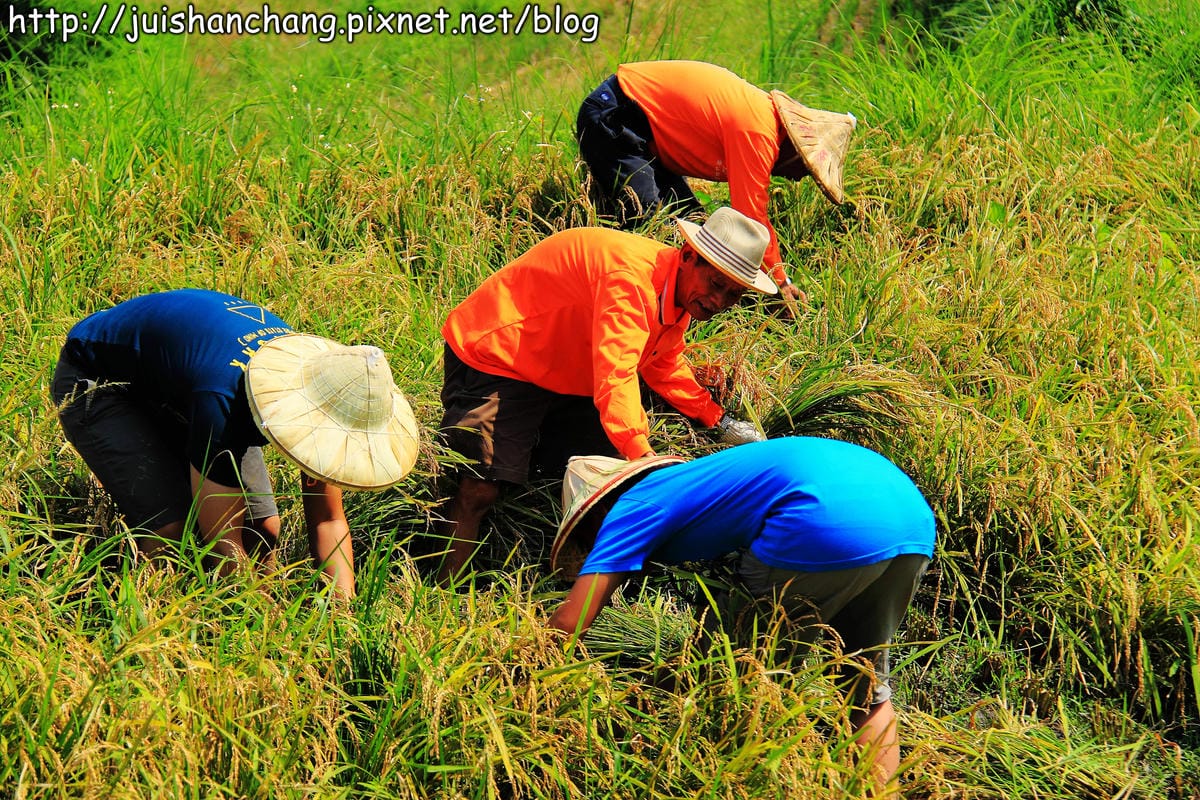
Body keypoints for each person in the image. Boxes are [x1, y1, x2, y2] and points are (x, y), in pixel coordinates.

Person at [547, 437, 936, 794]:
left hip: (820, 518)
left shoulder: (629, 507)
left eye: (587, 536)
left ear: (596, 511)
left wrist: (525, 670)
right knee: (865, 683)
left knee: (735, 675)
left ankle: (737, 781)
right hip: (910, 518)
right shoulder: (699, 480)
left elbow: (569, 623)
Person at [437, 206, 773, 581]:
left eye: (734, 294)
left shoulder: (677, 293)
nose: (718, 301)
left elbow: (661, 363)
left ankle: (584, 579)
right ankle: (446, 594)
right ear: (689, 255)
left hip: (563, 364)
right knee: (480, 488)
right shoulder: (631, 280)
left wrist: (717, 418)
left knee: (605, 484)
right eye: (715, 284)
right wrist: (644, 457)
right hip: (500, 352)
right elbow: (616, 374)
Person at [51, 288, 421, 598]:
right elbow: (223, 543)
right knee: (171, 533)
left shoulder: (332, 394)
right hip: (98, 378)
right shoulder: (224, 401)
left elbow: (327, 518)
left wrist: (344, 614)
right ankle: (148, 626)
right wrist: (257, 622)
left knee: (264, 531)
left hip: (181, 377)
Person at [576, 60, 858, 303]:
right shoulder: (759, 132)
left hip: (643, 134)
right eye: (805, 169)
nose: (798, 178)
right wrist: (779, 285)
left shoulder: (761, 122)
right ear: (795, 150)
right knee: (652, 229)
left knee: (693, 227)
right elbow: (751, 219)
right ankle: (626, 304)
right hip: (614, 116)